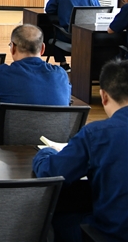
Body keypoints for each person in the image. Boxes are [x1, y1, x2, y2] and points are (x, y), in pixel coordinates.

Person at [32, 59, 128, 242]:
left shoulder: (97, 134)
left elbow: (50, 172)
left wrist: (46, 153)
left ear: (103, 96)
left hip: (110, 235)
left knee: (56, 218)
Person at [0, 24, 70, 110]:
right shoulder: (61, 75)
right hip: (56, 131)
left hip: (13, 131)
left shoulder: (2, 74)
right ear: (42, 49)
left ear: (13, 48)